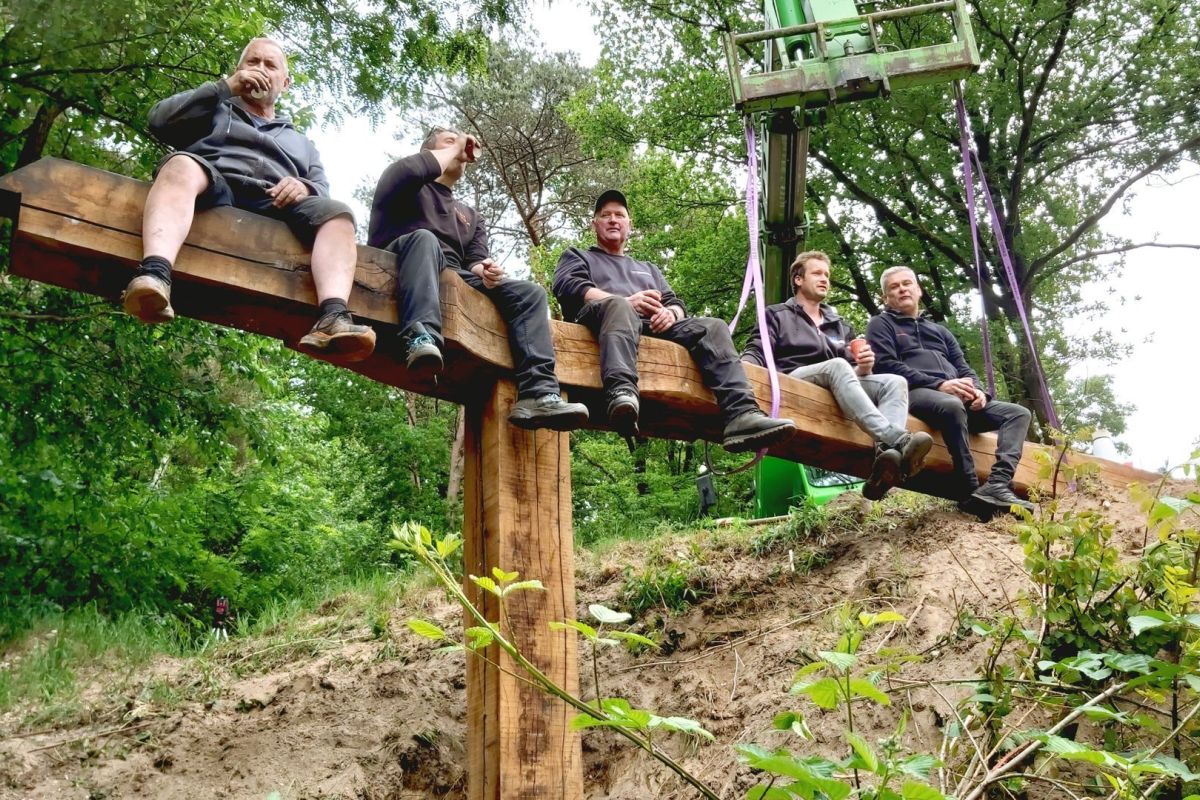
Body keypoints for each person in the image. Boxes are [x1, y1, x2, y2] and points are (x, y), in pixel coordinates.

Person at [121, 38, 375, 361]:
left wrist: (305, 188)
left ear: (285, 82)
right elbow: (158, 120)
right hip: (216, 184)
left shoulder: (302, 143)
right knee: (180, 164)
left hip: (278, 204)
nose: (260, 69)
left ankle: (333, 318)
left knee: (339, 215)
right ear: (239, 69)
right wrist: (225, 87)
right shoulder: (213, 107)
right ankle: (154, 275)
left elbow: (321, 188)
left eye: (270, 65)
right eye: (252, 62)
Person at [367, 127, 588, 430]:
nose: (460, 146)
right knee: (424, 239)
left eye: (460, 142)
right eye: (449, 140)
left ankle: (538, 393)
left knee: (530, 293)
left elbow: (474, 263)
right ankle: (422, 337)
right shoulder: (407, 182)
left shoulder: (469, 214)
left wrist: (486, 272)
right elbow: (410, 172)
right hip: (400, 264)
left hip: (453, 275)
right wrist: (456, 146)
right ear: (429, 152)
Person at [552, 190, 796, 452]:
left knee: (713, 326)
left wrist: (672, 314)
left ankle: (742, 414)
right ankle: (621, 394)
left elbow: (676, 302)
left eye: (619, 215)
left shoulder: (648, 268)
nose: (613, 220)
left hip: (652, 328)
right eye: (606, 215)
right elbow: (568, 285)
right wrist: (624, 299)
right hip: (603, 321)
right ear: (595, 224)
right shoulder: (578, 256)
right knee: (620, 306)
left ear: (629, 226)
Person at [742, 251, 932, 500]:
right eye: (817, 273)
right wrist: (741, 375)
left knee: (894, 382)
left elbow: (853, 371)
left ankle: (885, 463)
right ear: (798, 280)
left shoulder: (840, 324)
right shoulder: (776, 315)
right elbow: (755, 351)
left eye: (827, 275)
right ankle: (897, 439)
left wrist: (864, 367)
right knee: (837, 365)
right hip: (794, 380)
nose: (825, 279)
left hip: (836, 383)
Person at [867, 266, 1034, 513]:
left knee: (1018, 413)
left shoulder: (940, 332)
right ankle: (968, 490)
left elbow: (963, 367)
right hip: (915, 393)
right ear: (885, 297)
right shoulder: (880, 324)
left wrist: (979, 393)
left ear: (918, 289)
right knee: (951, 405)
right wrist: (940, 385)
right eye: (894, 286)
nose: (902, 289)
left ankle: (997, 484)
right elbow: (886, 364)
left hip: (957, 397)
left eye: (907, 283)